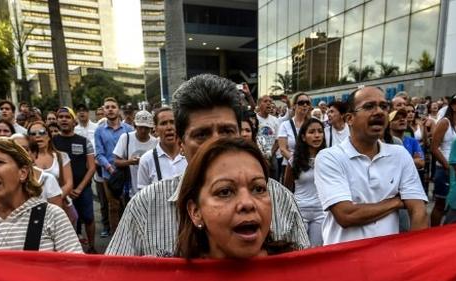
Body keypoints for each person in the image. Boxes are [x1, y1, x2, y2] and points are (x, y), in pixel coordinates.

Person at [106, 74, 309, 256]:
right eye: (201, 135)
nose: (216, 144)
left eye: (227, 132)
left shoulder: (281, 200)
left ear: (241, 136)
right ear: (181, 144)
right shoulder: (145, 207)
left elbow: (304, 279)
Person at [314, 86, 428, 245]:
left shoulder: (400, 155)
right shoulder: (330, 158)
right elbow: (346, 215)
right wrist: (395, 202)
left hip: (388, 260)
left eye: (383, 106)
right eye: (369, 106)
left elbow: (418, 211)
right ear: (349, 119)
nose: (379, 112)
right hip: (344, 262)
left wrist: (416, 254)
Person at [176, 137, 294, 259]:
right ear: (195, 211)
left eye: (258, 189)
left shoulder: (297, 272)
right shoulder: (170, 276)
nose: (247, 203)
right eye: (225, 192)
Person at [52, 107, 97, 252]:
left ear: (74, 121)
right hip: (61, 191)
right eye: (61, 117)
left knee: (89, 218)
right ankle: (71, 250)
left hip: (82, 189)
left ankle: (91, 247)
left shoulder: (84, 142)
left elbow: (91, 167)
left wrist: (79, 188)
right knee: (66, 222)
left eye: (67, 117)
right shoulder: (52, 142)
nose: (64, 119)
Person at [430, 89, 456, 226]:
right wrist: (448, 166)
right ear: (453, 105)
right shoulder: (445, 123)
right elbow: (434, 148)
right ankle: (433, 234)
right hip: (445, 170)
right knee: (441, 204)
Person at [283, 118, 326, 247]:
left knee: (316, 252)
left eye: (320, 131)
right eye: (312, 132)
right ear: (303, 137)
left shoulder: (328, 158)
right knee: (299, 249)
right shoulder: (294, 160)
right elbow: (287, 188)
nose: (317, 135)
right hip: (300, 211)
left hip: (321, 212)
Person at [94, 97, 134, 233]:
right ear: (104, 110)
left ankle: (131, 235)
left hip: (127, 173)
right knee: (114, 207)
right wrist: (110, 169)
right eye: (107, 107)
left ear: (118, 110)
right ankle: (116, 238)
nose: (110, 109)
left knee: (129, 204)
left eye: (113, 107)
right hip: (109, 175)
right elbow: (99, 154)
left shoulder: (129, 129)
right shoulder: (99, 131)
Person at [113, 109, 160, 198]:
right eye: (140, 127)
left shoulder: (155, 143)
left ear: (151, 128)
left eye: (146, 128)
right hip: (130, 189)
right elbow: (116, 161)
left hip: (150, 191)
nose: (143, 130)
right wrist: (129, 162)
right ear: (135, 126)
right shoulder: (126, 138)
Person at [137, 109, 186, 189]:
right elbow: (142, 196)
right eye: (163, 123)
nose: (169, 127)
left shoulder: (190, 156)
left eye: (172, 122)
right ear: (155, 129)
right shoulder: (146, 160)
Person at [11, 133, 63, 208]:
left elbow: (56, 215)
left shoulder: (48, 180)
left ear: (34, 154)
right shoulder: (1, 179)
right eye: (14, 150)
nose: (18, 153)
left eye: (24, 149)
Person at [276, 92, 311, 173]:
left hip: (310, 166)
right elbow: (282, 149)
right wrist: (296, 162)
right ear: (294, 106)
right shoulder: (285, 125)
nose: (305, 105)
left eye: (307, 103)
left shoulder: (312, 124)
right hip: (291, 166)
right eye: (301, 103)